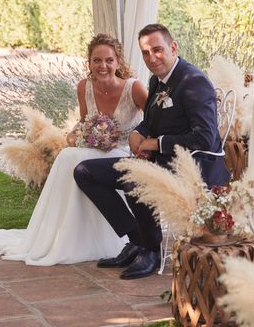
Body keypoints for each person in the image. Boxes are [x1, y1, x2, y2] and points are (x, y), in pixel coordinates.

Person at [0, 34, 148, 264]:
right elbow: (85, 121)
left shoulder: (133, 88)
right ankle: (65, 235)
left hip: (122, 150)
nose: (103, 66)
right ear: (89, 63)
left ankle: (113, 235)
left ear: (118, 62)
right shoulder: (84, 86)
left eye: (109, 60)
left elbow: (152, 121)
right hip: (94, 148)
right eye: (96, 60)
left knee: (75, 159)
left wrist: (139, 141)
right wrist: (76, 135)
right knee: (68, 155)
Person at [74, 23, 230, 279]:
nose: (152, 58)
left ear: (173, 47)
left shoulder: (194, 82)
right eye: (146, 53)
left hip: (193, 166)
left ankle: (152, 250)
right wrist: (139, 133)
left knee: (136, 181)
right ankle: (137, 238)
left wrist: (156, 144)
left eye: (157, 50)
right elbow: (151, 121)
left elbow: (205, 137)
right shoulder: (158, 81)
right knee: (85, 172)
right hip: (160, 162)